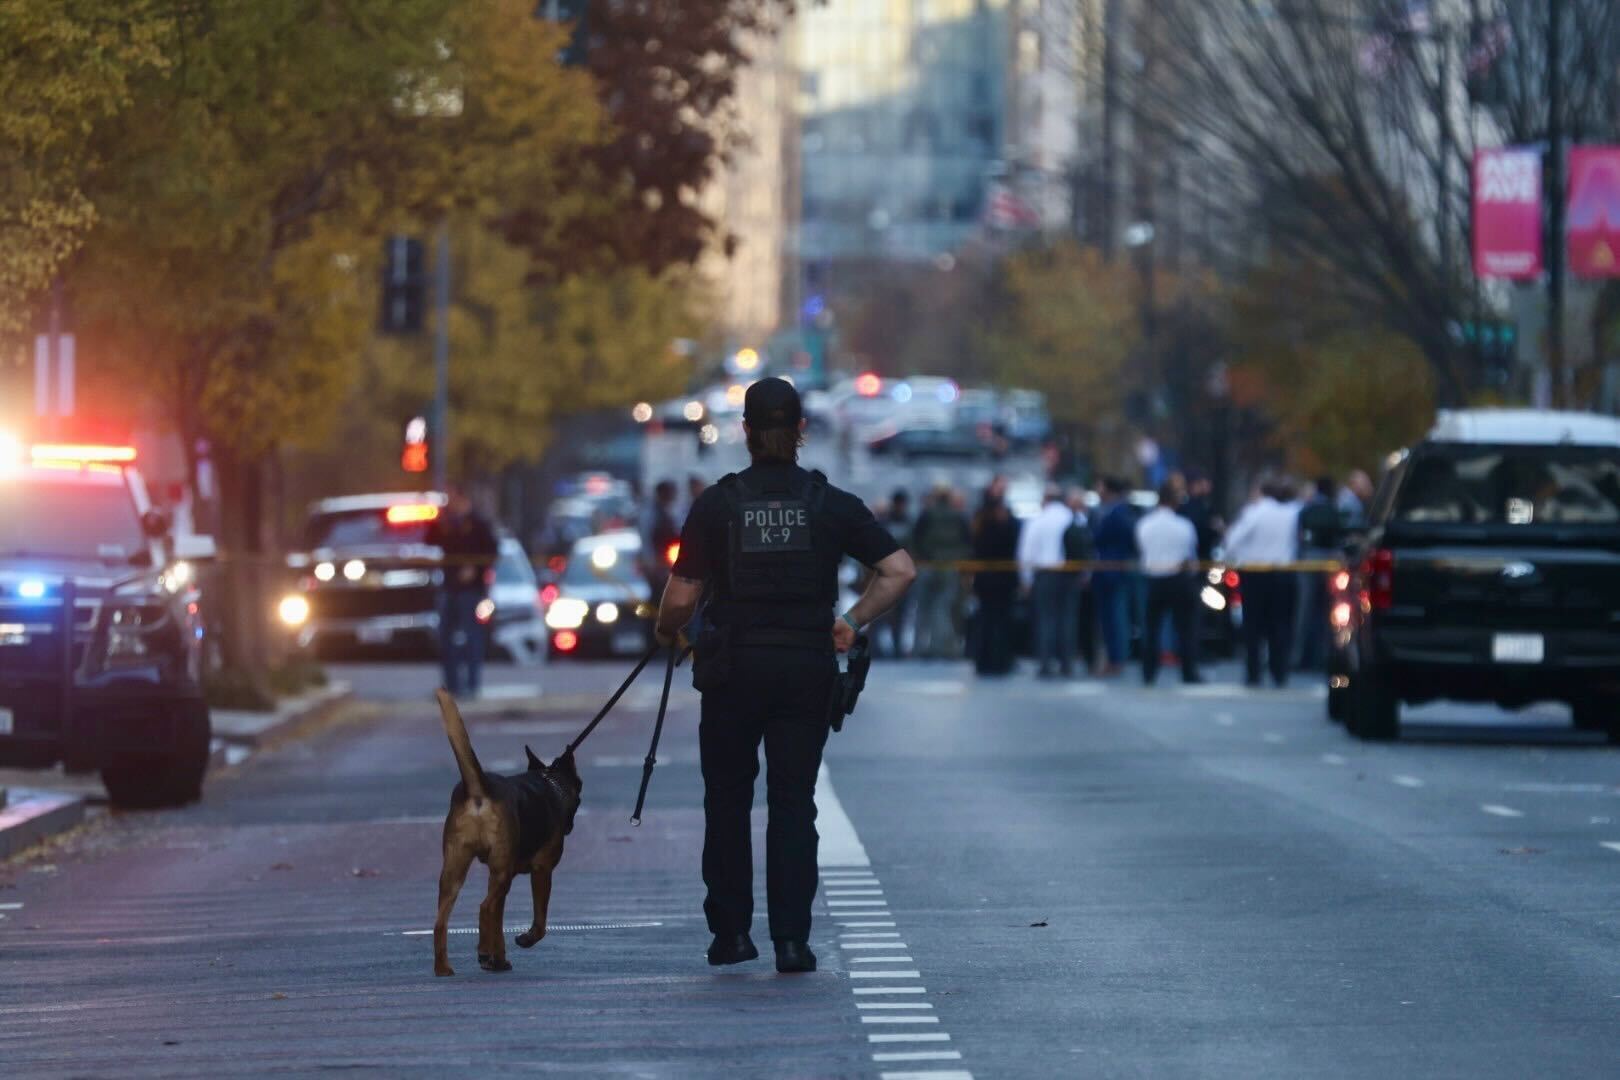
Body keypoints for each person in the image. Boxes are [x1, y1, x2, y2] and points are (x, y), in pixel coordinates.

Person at [653, 378, 915, 975]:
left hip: (731, 671)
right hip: (804, 669)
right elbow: (899, 570)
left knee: (727, 801)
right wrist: (850, 621)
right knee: (793, 803)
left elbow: (680, 599)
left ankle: (731, 936)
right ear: (801, 431)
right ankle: (792, 942)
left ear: (745, 432)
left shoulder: (717, 505)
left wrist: (669, 631)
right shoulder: (830, 504)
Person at [1223, 478, 1300, 687]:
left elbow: (1232, 541)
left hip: (1255, 573)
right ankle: (1279, 672)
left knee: (1253, 626)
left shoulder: (1254, 513)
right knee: (1280, 624)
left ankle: (1253, 672)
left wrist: (1239, 556)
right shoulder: (1291, 514)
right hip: (1283, 572)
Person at [425, 486, 499, 698]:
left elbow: (492, 550)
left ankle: (472, 684)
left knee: (472, 635)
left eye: (454, 499)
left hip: (471, 589)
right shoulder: (447, 523)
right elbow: (429, 539)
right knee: (446, 636)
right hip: (449, 587)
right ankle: (452, 684)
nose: (452, 504)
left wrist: (475, 569)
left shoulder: (478, 524)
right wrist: (437, 519)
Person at [1136, 480, 1202, 685]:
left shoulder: (1145, 525)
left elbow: (1142, 550)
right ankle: (1189, 672)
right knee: (1185, 628)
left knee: (1151, 628)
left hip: (1154, 579)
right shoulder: (1183, 526)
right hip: (1179, 578)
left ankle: (1149, 672)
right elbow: (1191, 554)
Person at [1017, 484, 1076, 678]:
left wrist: (1025, 578)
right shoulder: (1071, 518)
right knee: (1067, 619)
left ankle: (1045, 663)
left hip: (1045, 574)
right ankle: (1067, 662)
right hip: (1069, 574)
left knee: (1045, 620)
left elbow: (1027, 551)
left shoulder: (1038, 520)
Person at [910, 484, 973, 658]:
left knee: (922, 609)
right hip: (949, 568)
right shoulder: (958, 517)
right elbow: (967, 544)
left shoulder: (927, 515)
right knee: (943, 608)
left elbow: (915, 540)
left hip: (927, 566)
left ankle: (918, 648)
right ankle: (941, 648)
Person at [1090, 477, 1139, 676]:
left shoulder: (1118, 513)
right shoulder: (1107, 511)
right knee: (1109, 618)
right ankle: (1114, 657)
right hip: (1106, 571)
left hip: (1113, 572)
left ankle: (1117, 658)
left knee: (1114, 617)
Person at [970, 484, 1020, 676]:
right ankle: (999, 660)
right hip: (1002, 581)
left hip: (985, 581)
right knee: (1000, 622)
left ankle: (984, 660)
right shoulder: (1005, 527)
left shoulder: (979, 526)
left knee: (986, 620)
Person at [1294, 475, 1343, 671]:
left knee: (1303, 610)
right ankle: (1326, 655)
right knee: (1330, 609)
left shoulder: (1307, 510)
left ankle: (1298, 655)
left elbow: (1298, 536)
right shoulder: (1334, 511)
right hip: (1331, 561)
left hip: (1308, 560)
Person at [872, 490, 914, 658]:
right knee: (880, 613)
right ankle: (876, 647)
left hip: (901, 574)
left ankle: (896, 647)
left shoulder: (907, 523)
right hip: (884, 574)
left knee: (900, 614)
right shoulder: (884, 523)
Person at [1064, 487, 1096, 671]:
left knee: (1087, 621)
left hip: (1087, 579)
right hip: (1071, 578)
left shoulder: (1090, 522)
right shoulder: (1068, 523)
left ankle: (1088, 656)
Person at [639, 479, 682, 597]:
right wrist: (650, 562)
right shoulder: (651, 514)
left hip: (667, 563)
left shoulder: (670, 511)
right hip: (657, 564)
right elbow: (646, 538)